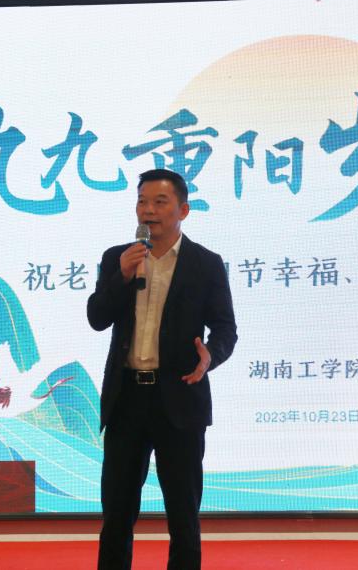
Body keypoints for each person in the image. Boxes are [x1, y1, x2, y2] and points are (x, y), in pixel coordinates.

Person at [88, 169, 237, 570]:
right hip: (127, 400)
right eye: (142, 201)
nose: (148, 210)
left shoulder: (206, 264)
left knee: (183, 516)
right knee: (117, 515)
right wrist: (121, 276)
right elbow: (97, 318)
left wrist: (211, 356)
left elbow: (226, 329)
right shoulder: (118, 258)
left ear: (182, 210)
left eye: (159, 202)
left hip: (180, 399)